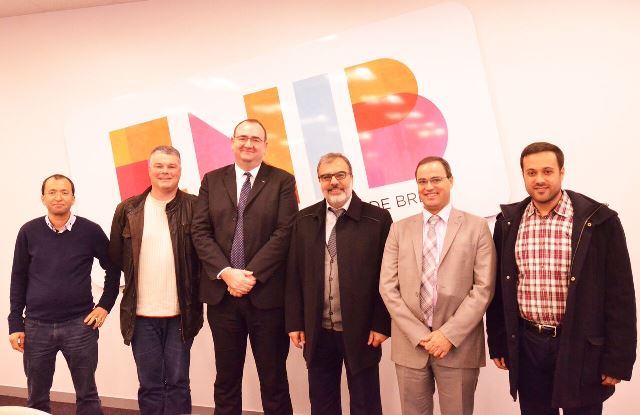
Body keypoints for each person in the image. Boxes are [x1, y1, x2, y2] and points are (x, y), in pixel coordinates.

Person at [486, 142, 636, 415]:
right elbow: (499, 288)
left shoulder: (598, 221)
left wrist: (617, 360)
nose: (539, 179)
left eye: (547, 171)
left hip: (580, 345)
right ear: (523, 175)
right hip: (528, 345)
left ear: (562, 172)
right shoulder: (508, 222)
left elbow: (620, 295)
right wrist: (498, 342)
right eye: (531, 172)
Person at [192, 118, 298, 415]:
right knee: (226, 379)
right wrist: (227, 273)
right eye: (242, 138)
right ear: (232, 142)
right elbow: (200, 231)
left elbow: (285, 232)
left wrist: (249, 276)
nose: (248, 144)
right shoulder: (212, 180)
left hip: (266, 297)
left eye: (255, 139)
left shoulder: (282, 181)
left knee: (274, 379)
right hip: (222, 296)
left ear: (265, 145)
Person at [379, 156, 496, 415]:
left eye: (436, 179)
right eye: (422, 181)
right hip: (410, 346)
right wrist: (419, 335)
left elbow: (483, 288)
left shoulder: (477, 227)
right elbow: (387, 287)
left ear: (450, 181)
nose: (429, 187)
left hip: (458, 346)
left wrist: (447, 335)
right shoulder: (399, 229)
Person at [285, 153, 392, 415]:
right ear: (319, 181)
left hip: (363, 332)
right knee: (322, 404)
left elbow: (389, 277)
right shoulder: (304, 220)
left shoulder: (377, 219)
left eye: (340, 175)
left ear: (351, 177)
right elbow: (294, 274)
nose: (333, 182)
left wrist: (381, 323)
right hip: (318, 331)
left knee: (365, 404)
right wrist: (295, 322)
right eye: (326, 177)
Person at [8, 174, 120, 414]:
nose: (58, 197)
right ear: (43, 198)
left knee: (87, 395)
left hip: (80, 325)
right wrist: (15, 323)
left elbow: (113, 267)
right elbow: (18, 277)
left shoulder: (90, 231)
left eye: (64, 192)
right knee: (37, 398)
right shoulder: (28, 231)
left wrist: (105, 306)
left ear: (73, 197)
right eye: (52, 192)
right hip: (36, 326)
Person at [109, 145, 203, 415]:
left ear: (180, 170)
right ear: (149, 170)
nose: (165, 171)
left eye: (171, 166)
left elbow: (206, 256)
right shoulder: (127, 209)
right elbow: (116, 258)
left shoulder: (196, 206)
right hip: (140, 316)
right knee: (149, 385)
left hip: (180, 314)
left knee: (178, 383)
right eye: (159, 166)